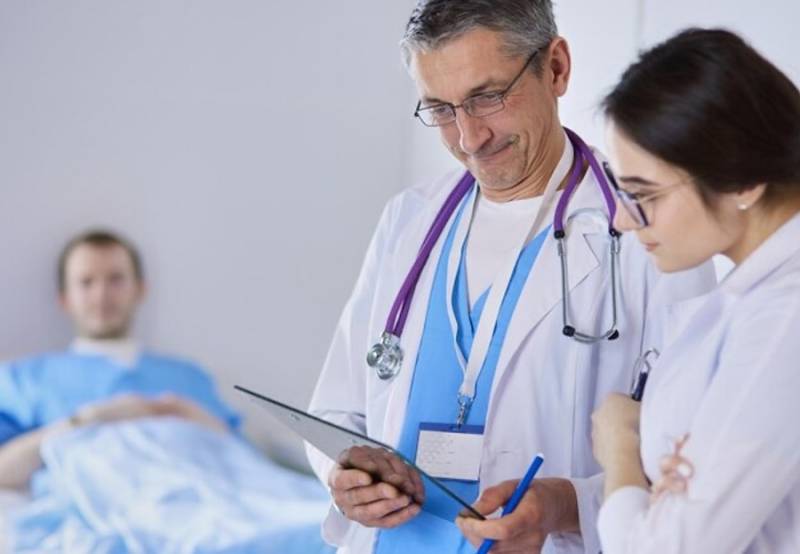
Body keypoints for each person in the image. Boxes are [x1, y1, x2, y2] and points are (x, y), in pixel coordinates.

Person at [306, 2, 715, 553]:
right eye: (441, 109)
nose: (469, 137)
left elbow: (693, 454)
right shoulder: (408, 220)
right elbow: (337, 409)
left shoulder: (653, 224)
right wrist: (345, 474)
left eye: (487, 97)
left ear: (556, 68)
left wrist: (563, 505)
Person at [589, 28, 800, 553]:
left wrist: (621, 446)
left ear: (742, 180)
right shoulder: (748, 295)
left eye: (644, 195)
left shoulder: (784, 320)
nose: (621, 218)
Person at [0, 229, 239, 491]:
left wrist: (198, 420)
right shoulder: (25, 379)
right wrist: (88, 420)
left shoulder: (189, 377)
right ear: (64, 299)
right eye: (86, 282)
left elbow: (250, 466)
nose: (102, 295)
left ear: (140, 290)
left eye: (115, 279)